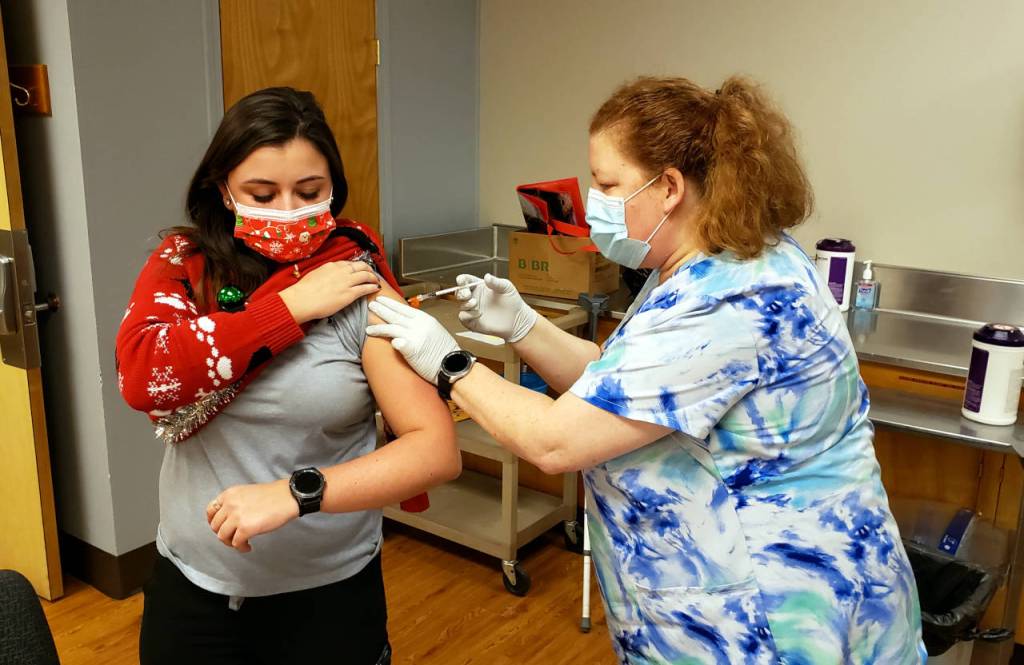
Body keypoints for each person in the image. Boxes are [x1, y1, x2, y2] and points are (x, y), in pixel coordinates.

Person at [365, 76, 927, 664]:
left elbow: (556, 442)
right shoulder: (708, 259)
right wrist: (522, 326)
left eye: (608, 183)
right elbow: (624, 385)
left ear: (669, 189)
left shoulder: (728, 301)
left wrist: (447, 361)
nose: (593, 199)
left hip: (776, 616)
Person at [116, 87, 459, 665]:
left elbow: (434, 450)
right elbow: (146, 375)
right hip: (195, 590)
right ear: (223, 188)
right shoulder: (186, 266)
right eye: (261, 193)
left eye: (309, 192)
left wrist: (295, 494)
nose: (287, 210)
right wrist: (291, 308)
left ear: (334, 190)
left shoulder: (355, 282)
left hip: (327, 597)